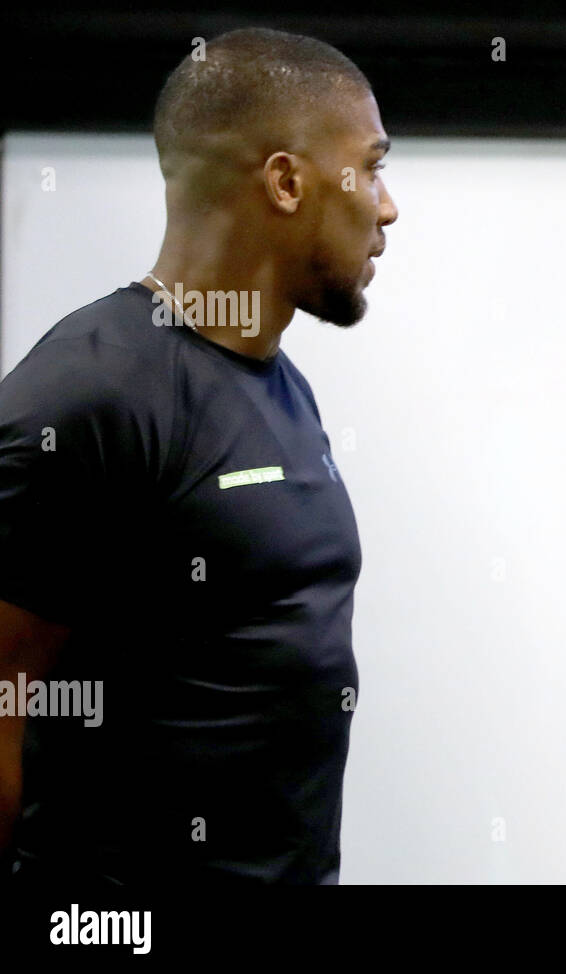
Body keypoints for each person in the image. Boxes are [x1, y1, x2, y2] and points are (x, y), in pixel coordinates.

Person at [0, 26, 397, 884]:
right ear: (287, 181)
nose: (386, 206)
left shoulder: (281, 385)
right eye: (369, 166)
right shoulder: (91, 393)